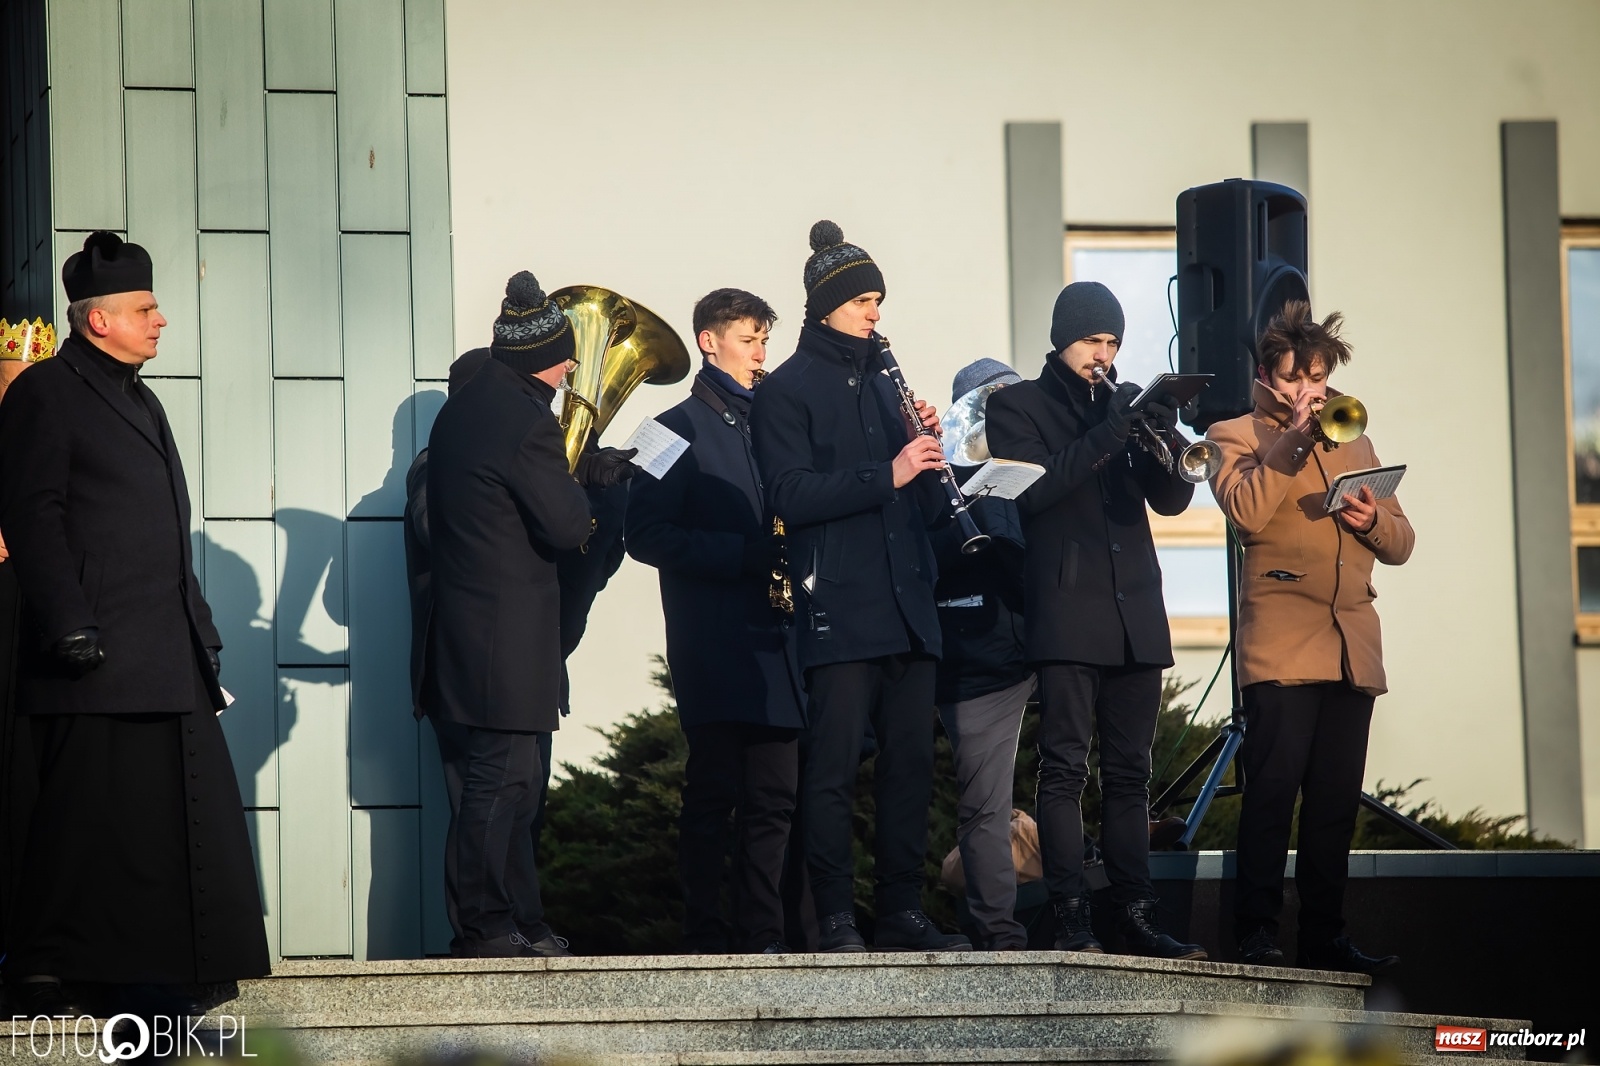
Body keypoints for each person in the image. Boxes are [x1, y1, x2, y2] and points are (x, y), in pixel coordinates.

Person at [0, 232, 269, 1014]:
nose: (160, 320)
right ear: (98, 321)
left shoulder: (140, 398)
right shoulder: (46, 393)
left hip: (162, 653)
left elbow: (163, 530)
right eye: (145, 308)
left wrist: (200, 629)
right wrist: (68, 621)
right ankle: (45, 968)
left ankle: (167, 966)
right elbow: (34, 511)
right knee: (80, 820)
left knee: (168, 819)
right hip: (94, 654)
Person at [750, 221, 969, 953]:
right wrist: (890, 472)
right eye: (864, 300)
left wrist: (932, 462)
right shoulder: (785, 391)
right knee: (835, 771)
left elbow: (927, 506)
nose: (876, 312)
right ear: (827, 303)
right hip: (840, 608)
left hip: (910, 607)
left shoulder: (886, 382)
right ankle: (837, 914)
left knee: (910, 768)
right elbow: (789, 493)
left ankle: (902, 910)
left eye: (879, 299)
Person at [987, 281, 1205, 960]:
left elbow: (1170, 500)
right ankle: (1073, 913)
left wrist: (1161, 431)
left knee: (1131, 776)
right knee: (1064, 771)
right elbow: (1038, 492)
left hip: (1135, 611)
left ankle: (1134, 915)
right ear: (1062, 340)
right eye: (1092, 341)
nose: (1103, 354)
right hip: (1067, 611)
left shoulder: (1123, 408)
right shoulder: (1016, 405)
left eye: (1111, 342)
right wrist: (1113, 428)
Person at [424, 271, 635, 959]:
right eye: (564, 354)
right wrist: (592, 488)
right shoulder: (524, 422)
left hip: (475, 633)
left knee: (510, 783)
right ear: (535, 356)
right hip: (505, 638)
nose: (573, 365)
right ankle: (487, 924)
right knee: (504, 785)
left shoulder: (465, 409)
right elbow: (566, 522)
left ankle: (520, 917)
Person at [1205, 300, 1413, 974]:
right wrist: (1293, 438)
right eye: (1299, 378)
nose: (1313, 390)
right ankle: (1258, 933)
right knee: (1271, 797)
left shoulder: (1353, 436)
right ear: (1270, 376)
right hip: (1282, 648)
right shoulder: (1233, 433)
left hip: (1351, 645)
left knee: (1332, 807)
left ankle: (1325, 936)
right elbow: (1248, 513)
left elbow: (1403, 542)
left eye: (1320, 377)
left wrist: (1369, 518)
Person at [626, 288, 807, 954]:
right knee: (714, 800)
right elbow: (642, 533)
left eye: (766, 340)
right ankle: (705, 938)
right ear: (710, 341)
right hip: (714, 645)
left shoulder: (778, 424)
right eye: (750, 338)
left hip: (780, 641)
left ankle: (766, 937)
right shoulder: (664, 430)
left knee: (777, 803)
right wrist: (742, 555)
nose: (763, 352)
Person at [931, 358, 1035, 951]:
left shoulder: (1033, 467)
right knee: (984, 803)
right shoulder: (938, 472)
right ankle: (999, 930)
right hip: (975, 657)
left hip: (1028, 647)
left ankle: (1059, 912)